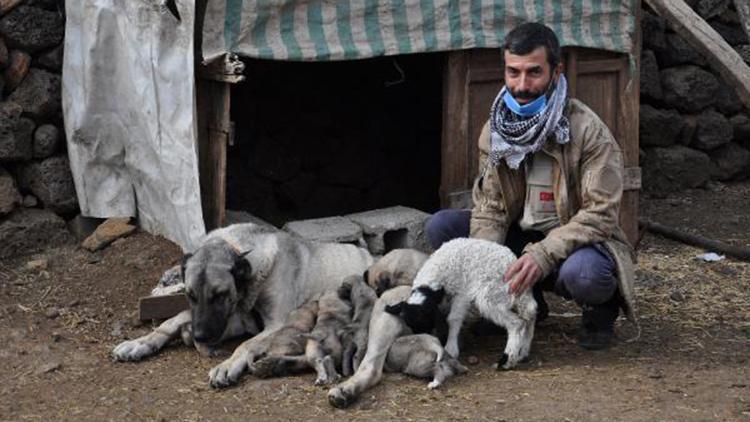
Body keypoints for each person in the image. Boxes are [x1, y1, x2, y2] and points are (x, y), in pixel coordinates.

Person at [425, 22, 636, 350]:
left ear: (556, 71)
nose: (522, 85)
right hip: (519, 237)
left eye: (534, 72)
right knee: (443, 226)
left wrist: (543, 255)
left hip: (575, 244)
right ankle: (524, 298)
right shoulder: (495, 130)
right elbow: (491, 207)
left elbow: (600, 214)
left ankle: (601, 311)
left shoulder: (588, 132)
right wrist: (486, 269)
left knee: (586, 275)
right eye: (513, 72)